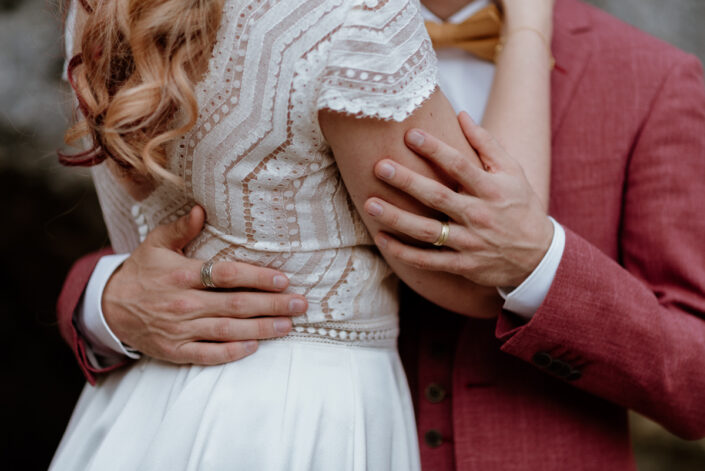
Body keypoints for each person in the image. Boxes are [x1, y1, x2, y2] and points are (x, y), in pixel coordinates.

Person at [56, 0, 705, 469]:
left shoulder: (651, 78)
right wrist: (106, 303)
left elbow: (693, 375)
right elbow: (190, 226)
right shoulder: (229, 20)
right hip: (295, 437)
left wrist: (541, 265)